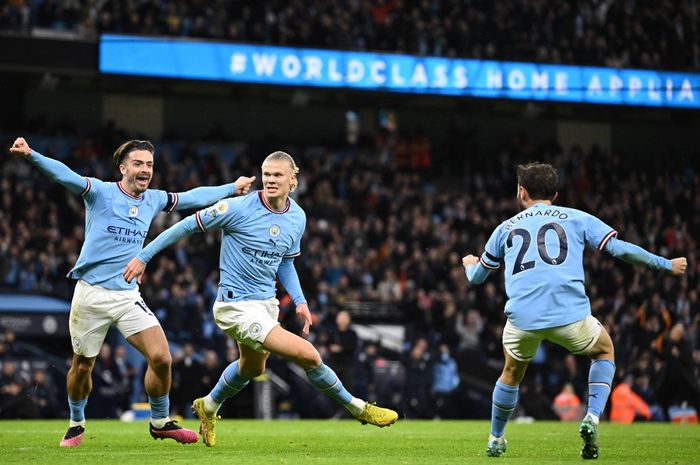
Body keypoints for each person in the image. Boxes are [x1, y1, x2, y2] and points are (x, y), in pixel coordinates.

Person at [123, 150, 398, 447]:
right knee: (308, 354)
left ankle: (209, 406)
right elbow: (187, 225)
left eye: (277, 175)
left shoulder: (297, 217)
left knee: (253, 368)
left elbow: (286, 262)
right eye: (266, 174)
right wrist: (144, 256)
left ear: (293, 179)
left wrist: (301, 301)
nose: (270, 180)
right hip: (235, 306)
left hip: (266, 305)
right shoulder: (237, 208)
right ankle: (358, 408)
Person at [8, 137, 255, 447]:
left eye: (149, 164)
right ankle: (76, 423)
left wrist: (231, 187)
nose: (145, 169)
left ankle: (159, 422)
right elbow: (65, 175)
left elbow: (191, 197)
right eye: (138, 163)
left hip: (126, 296)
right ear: (122, 168)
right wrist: (32, 155)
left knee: (162, 357)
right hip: (91, 295)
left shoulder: (152, 199)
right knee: (83, 366)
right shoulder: (100, 192)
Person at [461, 162, 687, 459]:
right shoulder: (577, 218)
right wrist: (665, 264)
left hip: (522, 318)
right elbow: (619, 249)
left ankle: (495, 438)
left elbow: (477, 278)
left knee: (511, 373)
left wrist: (468, 263)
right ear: (554, 193)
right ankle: (592, 417)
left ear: (521, 191)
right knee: (604, 351)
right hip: (570, 315)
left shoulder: (505, 228)